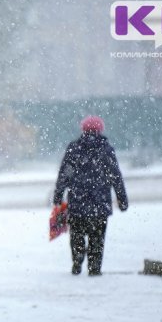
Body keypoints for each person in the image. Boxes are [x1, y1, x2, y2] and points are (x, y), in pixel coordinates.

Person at [53, 115, 128, 276]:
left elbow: (65, 174)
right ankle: (94, 268)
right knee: (97, 239)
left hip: (77, 202)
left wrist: (58, 196)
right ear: (100, 130)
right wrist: (122, 199)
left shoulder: (74, 148)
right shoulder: (106, 150)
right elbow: (116, 176)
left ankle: (77, 260)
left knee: (77, 235)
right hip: (99, 204)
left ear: (83, 130)